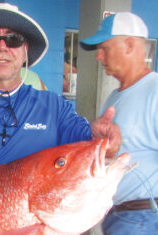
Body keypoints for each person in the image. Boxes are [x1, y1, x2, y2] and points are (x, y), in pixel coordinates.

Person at [0, 3, 122, 218]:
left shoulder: (55, 107)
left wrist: (104, 141)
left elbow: (90, 148)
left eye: (13, 39)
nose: (2, 47)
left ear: (25, 52)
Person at [81, 12, 158, 235]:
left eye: (105, 48)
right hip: (122, 217)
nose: (99, 56)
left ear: (130, 45)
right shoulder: (115, 96)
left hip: (144, 217)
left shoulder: (154, 90)